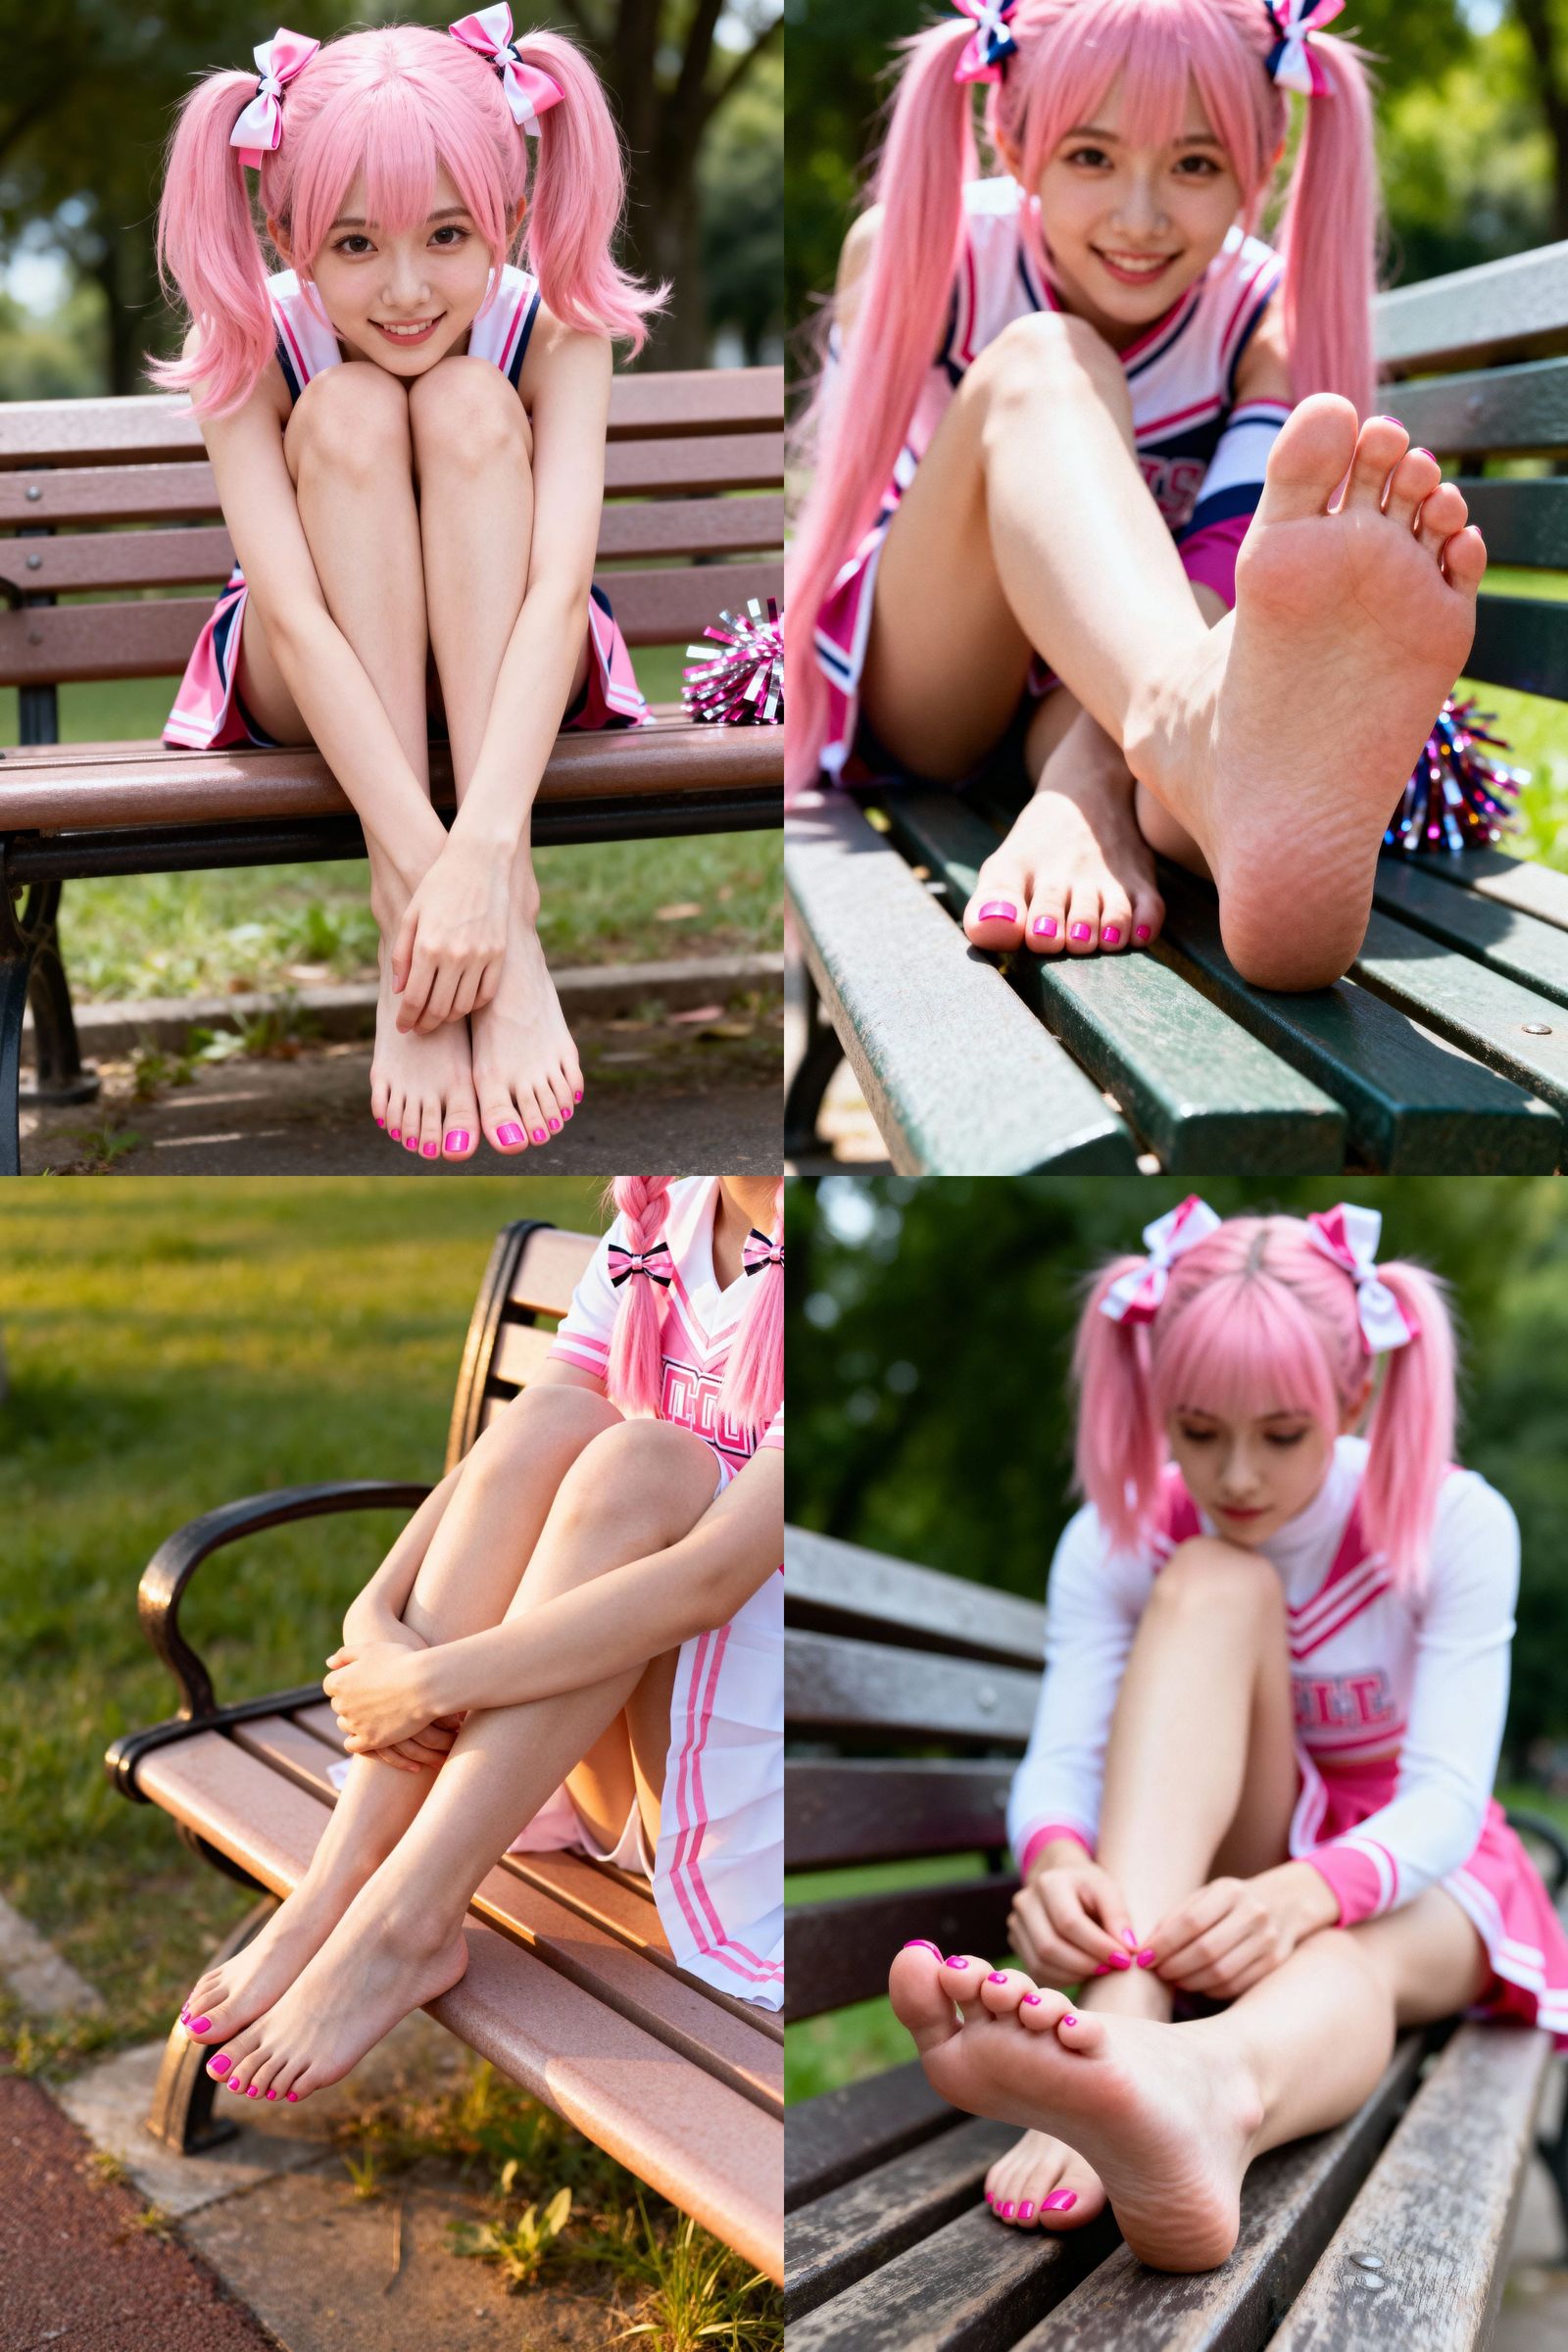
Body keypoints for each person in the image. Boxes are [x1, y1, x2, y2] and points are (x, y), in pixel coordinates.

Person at [888, 1196, 1568, 2273]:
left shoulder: (1454, 1521)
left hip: (1411, 1874)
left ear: (1352, 1394)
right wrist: (1060, 1861)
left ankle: (1204, 2095)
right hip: (1213, 1879)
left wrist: (1305, 1894)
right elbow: (1059, 1761)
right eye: (1198, 1434)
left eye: (1281, 1435)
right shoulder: (1119, 1534)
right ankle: (1124, 2014)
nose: (1236, 1476)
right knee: (1212, 1575)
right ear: (1158, 1400)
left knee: (1349, 1959)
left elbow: (1443, 1794)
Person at [788, 0, 1491, 992]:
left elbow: (1225, 565)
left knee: (1186, 761)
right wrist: (1117, 758)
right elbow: (897, 514)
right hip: (937, 667)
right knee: (1045, 356)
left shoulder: (1261, 322)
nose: (1139, 216)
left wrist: (1087, 779)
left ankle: (1222, 812)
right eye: (1090, 157)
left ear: (1263, 162)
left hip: (1100, 692)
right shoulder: (931, 250)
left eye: (1195, 167)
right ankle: (1190, 758)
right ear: (1013, 140)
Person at [154, 16, 661, 1158]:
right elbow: (288, 612)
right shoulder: (246, 337)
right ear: (282, 232)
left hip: (517, 658)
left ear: (511, 212)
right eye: (352, 246)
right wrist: (431, 882)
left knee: (466, 403)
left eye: (446, 235)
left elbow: (555, 586)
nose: (404, 290)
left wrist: (489, 862)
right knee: (350, 409)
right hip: (318, 663)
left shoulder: (556, 326)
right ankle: (410, 936)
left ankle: (511, 927)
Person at [176, 1174, 784, 2102]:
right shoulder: (663, 1214)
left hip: (713, 1780)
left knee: (646, 1456)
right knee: (560, 1413)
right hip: (565, 1750)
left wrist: (432, 1685)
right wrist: (372, 1617)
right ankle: (342, 1882)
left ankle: (407, 1925)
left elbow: (707, 1585)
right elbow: (500, 1456)